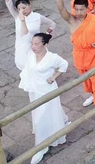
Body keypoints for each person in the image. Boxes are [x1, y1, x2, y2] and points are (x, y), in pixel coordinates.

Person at [56, 0, 95, 120]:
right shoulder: (72, 20)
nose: (79, 12)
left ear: (88, 8)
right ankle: (93, 96)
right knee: (87, 81)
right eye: (76, 9)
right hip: (79, 56)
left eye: (82, 9)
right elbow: (61, 9)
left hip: (93, 55)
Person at [18, 32, 70, 164]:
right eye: (32, 43)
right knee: (39, 113)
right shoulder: (30, 54)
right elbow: (23, 37)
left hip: (47, 91)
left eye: (36, 44)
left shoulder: (52, 58)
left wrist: (54, 77)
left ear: (45, 44)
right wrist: (22, 19)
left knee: (42, 117)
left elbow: (64, 65)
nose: (33, 46)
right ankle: (63, 122)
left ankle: (41, 147)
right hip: (34, 90)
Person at [0, 0, 56, 70]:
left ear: (29, 5)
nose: (22, 10)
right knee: (25, 68)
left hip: (35, 46)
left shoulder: (37, 17)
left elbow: (52, 24)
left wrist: (46, 35)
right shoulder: (17, 16)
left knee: (38, 67)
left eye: (24, 7)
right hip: (22, 48)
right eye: (19, 9)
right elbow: (9, 3)